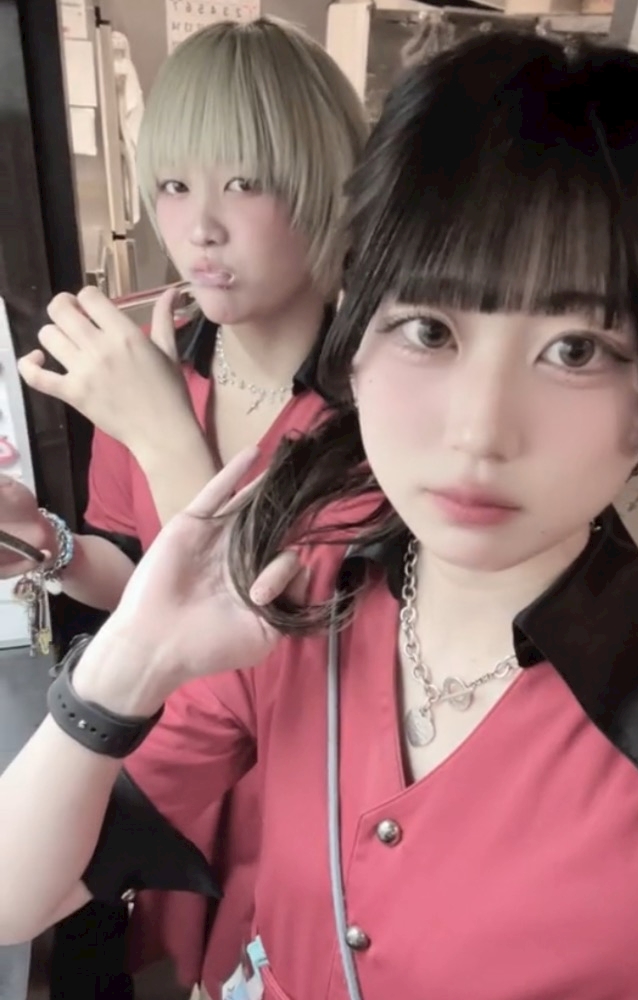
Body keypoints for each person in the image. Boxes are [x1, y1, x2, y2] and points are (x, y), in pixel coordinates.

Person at [2, 27, 638, 1000]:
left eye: (575, 350)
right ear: (358, 343)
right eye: (428, 330)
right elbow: (16, 896)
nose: (478, 430)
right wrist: (130, 657)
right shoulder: (305, 585)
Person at [0, 16, 366, 998]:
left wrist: (163, 433)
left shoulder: (382, 406)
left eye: (242, 183)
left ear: (325, 182)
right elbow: (142, 577)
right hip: (169, 774)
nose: (198, 228)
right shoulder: (164, 368)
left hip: (312, 805)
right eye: (171, 185)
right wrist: (49, 544)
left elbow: (276, 640)